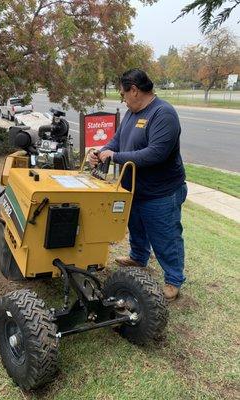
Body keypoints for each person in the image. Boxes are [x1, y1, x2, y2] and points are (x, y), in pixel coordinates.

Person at [89, 68, 187, 302]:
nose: (123, 100)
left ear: (134, 90)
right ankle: (138, 257)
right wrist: (101, 152)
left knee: (165, 235)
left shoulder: (163, 114)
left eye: (123, 94)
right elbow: (116, 141)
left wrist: (115, 157)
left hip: (161, 191)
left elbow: (155, 154)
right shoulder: (132, 113)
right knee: (137, 227)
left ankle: (173, 279)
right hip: (133, 188)